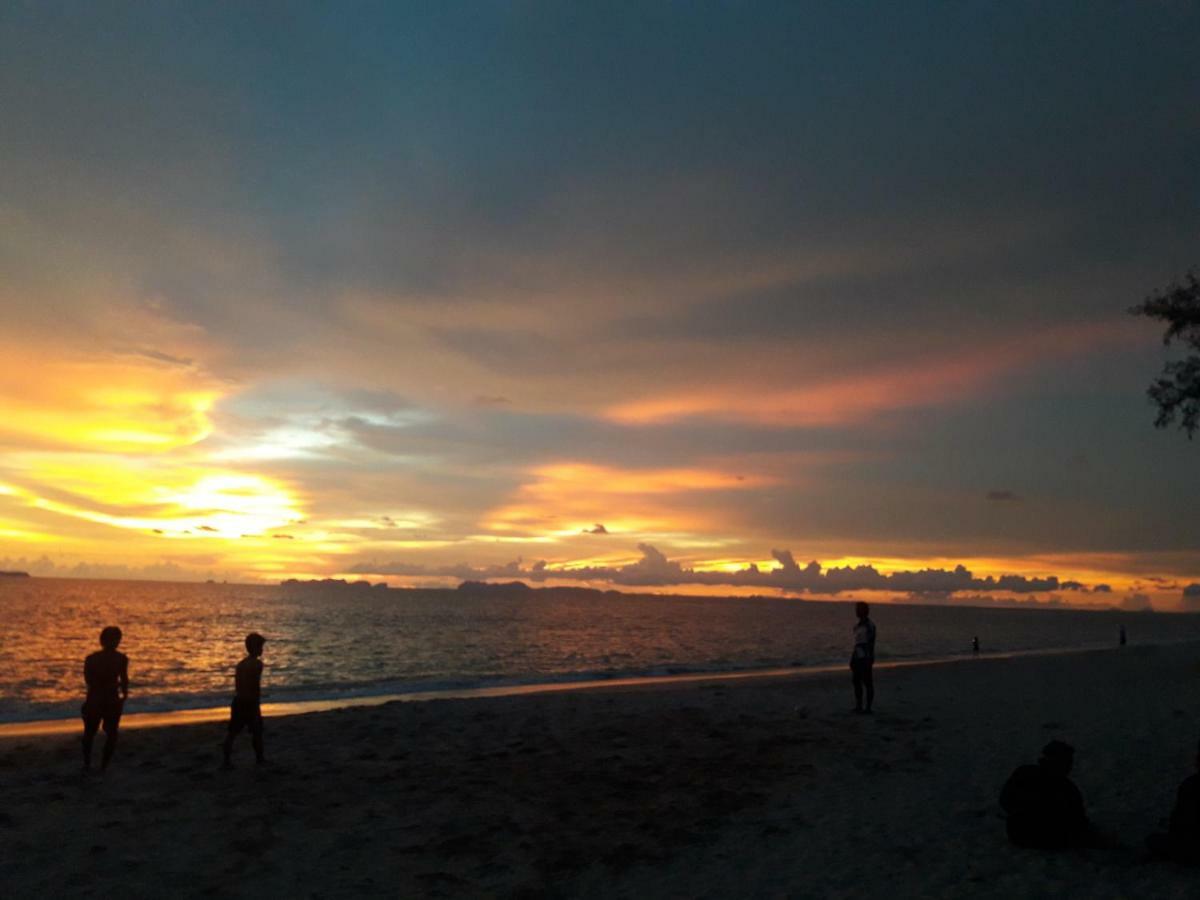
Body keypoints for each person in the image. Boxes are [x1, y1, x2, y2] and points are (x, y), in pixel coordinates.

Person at [999, 740, 1092, 848]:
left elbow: (1005, 800)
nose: (1070, 766)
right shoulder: (1066, 788)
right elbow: (1078, 821)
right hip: (1045, 837)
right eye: (1068, 762)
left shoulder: (1024, 772)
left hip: (1017, 833)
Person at [81, 625, 129, 772]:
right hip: (111, 699)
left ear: (101, 640)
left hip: (95, 698)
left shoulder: (90, 659)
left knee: (89, 733)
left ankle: (88, 764)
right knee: (112, 734)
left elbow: (88, 680)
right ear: (118, 641)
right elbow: (124, 680)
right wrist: (123, 695)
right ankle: (103, 766)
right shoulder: (121, 659)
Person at [1147, 740, 1200, 864]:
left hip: (1191, 848)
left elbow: (1179, 824)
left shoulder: (1190, 785)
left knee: (1153, 840)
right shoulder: (1190, 785)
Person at [222, 632, 267, 767]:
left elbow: (238, 685)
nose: (262, 650)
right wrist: (256, 701)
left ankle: (226, 761)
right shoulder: (257, 664)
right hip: (250, 702)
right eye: (260, 647)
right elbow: (255, 685)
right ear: (254, 648)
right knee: (257, 732)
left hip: (238, 701)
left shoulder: (241, 664)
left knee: (232, 733)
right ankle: (260, 759)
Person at [850, 601, 876, 713]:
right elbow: (856, 643)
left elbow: (871, 643)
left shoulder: (870, 626)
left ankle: (868, 707)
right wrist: (853, 656)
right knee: (856, 681)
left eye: (858, 609)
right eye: (856, 609)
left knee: (867, 682)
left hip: (865, 657)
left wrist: (869, 658)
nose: (856, 611)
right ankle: (859, 705)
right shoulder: (856, 626)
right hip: (857, 656)